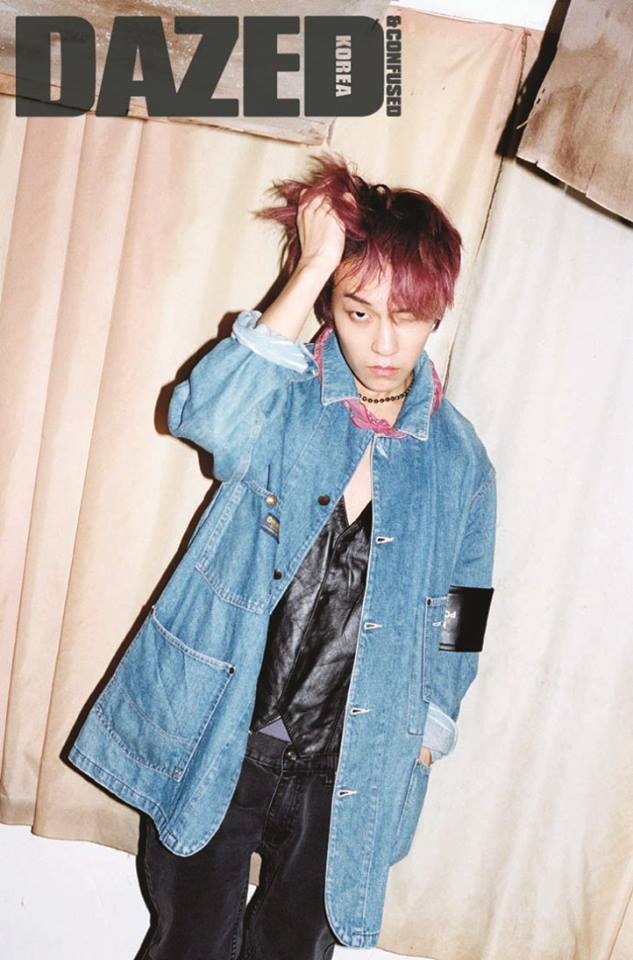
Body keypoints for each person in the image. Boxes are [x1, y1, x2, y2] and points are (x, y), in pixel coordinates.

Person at [67, 153, 497, 960]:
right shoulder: (282, 393)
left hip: (352, 761)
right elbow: (202, 416)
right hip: (225, 732)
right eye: (358, 311)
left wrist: (432, 722)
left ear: (437, 311)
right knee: (189, 943)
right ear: (331, 305)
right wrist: (310, 267)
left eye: (405, 315)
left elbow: (464, 604)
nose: (382, 341)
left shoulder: (460, 459)